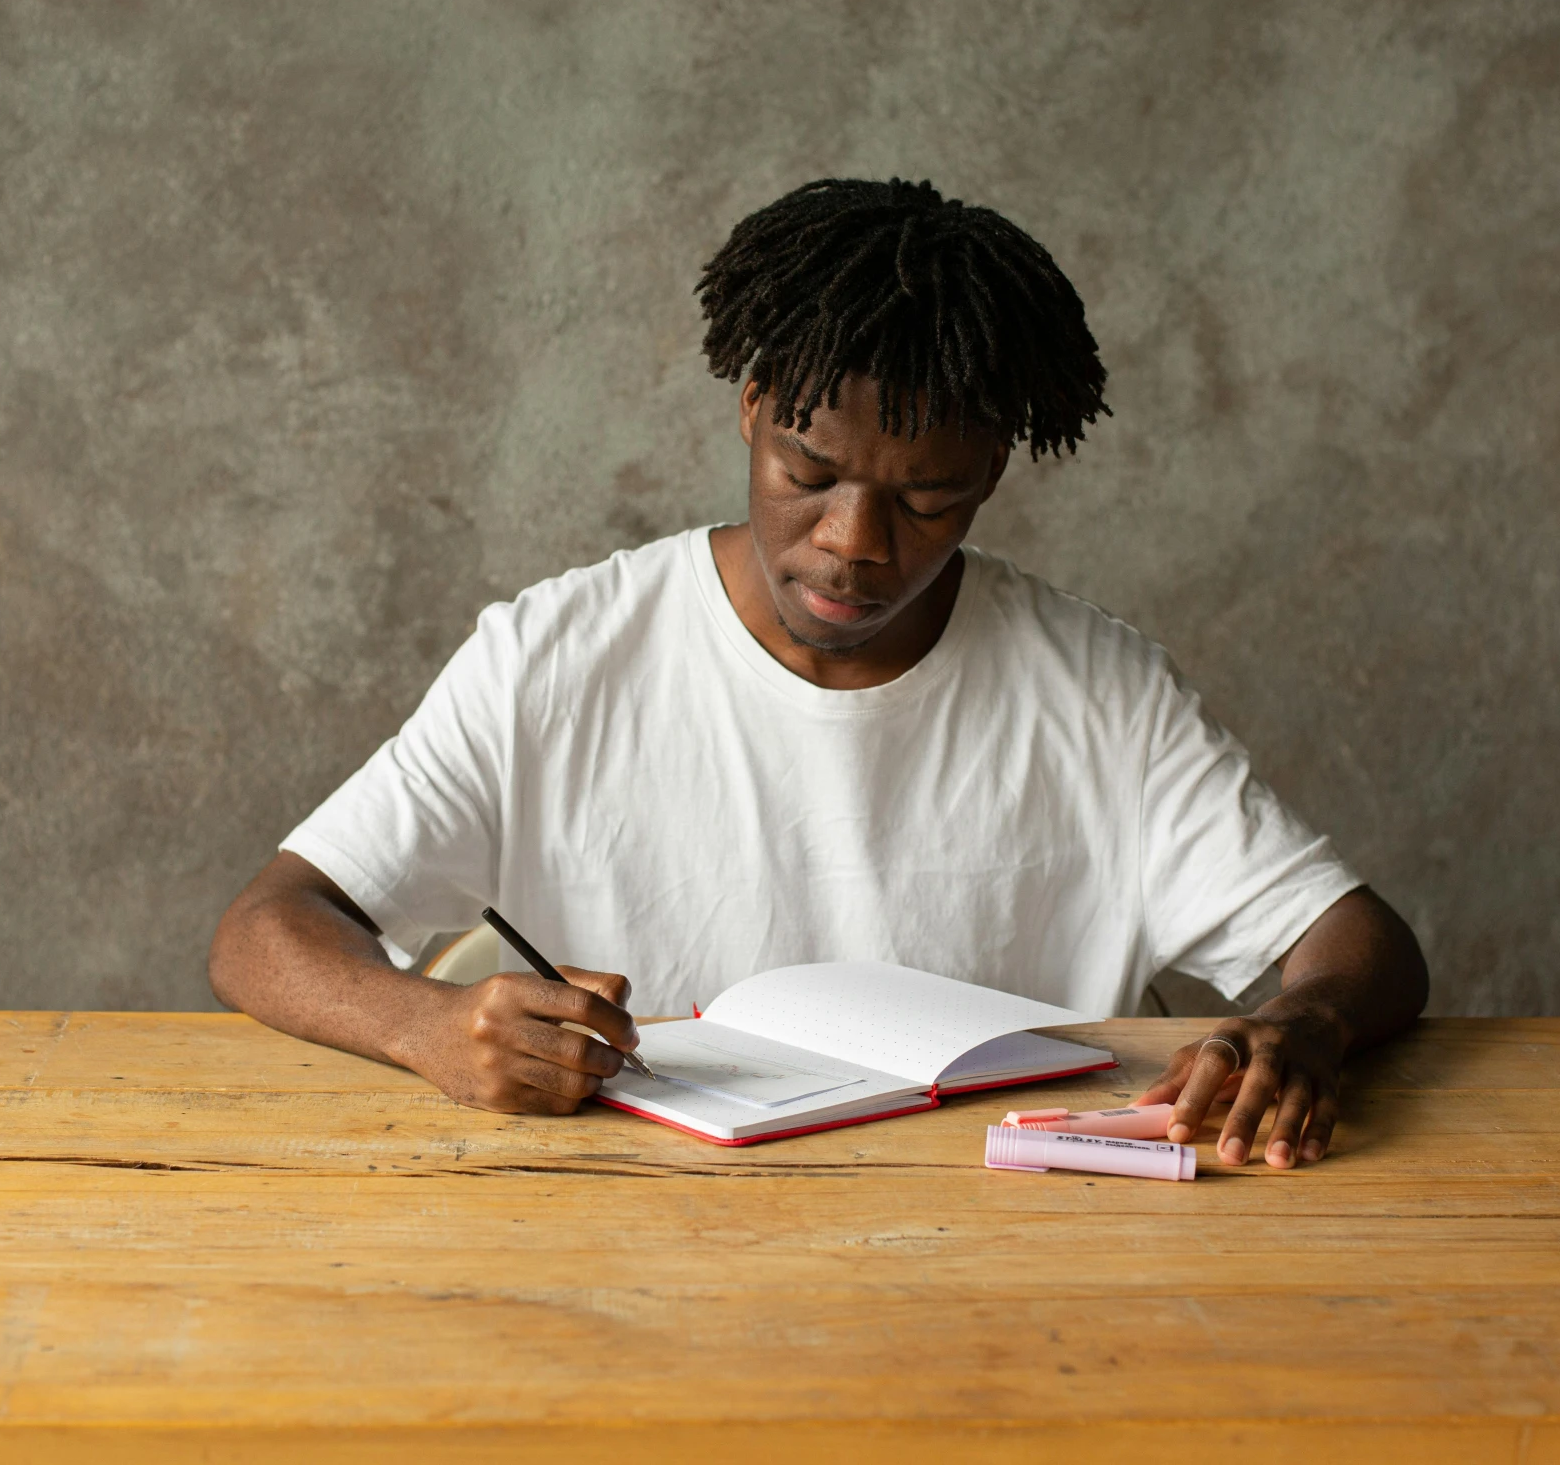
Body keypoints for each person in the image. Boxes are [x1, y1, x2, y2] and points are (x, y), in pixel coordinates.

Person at [210, 177, 1428, 1169]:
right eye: (809, 472)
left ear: (993, 471)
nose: (854, 540)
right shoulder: (554, 656)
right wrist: (424, 1025)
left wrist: (1296, 1026)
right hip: (608, 1247)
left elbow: (1354, 941)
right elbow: (269, 926)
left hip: (998, 1265)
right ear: (750, 409)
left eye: (926, 497)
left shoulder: (1097, 691)